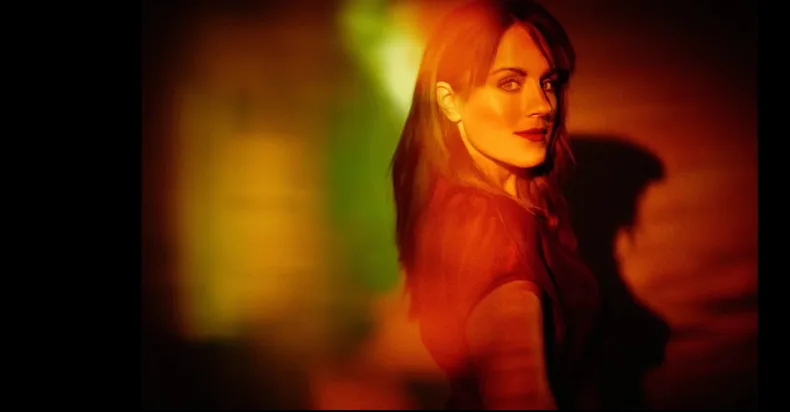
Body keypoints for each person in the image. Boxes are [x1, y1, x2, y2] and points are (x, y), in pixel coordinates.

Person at [390, 0, 602, 409]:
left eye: (548, 82)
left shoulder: (461, 206)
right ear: (450, 101)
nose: (544, 105)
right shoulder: (491, 229)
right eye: (509, 83)